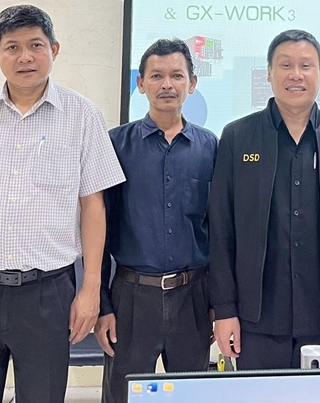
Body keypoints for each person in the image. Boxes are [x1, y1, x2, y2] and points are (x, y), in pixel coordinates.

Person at [0, 5, 125, 403]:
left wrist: (91, 290)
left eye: (36, 45)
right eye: (12, 47)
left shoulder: (83, 116)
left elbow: (93, 207)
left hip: (48, 293)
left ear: (54, 50)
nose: (25, 56)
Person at [209, 29, 320, 369]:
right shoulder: (237, 136)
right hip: (255, 320)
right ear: (269, 74)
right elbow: (221, 230)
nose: (296, 75)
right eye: (285, 65)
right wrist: (224, 310)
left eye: (306, 66)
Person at [96, 39, 216, 402]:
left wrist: (219, 302)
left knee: (191, 396)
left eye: (177, 75)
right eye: (156, 76)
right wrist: (103, 306)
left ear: (192, 84)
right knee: (123, 395)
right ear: (141, 83)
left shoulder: (211, 147)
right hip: (131, 299)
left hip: (193, 297)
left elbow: (220, 232)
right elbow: (98, 233)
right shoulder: (115, 145)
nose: (167, 84)